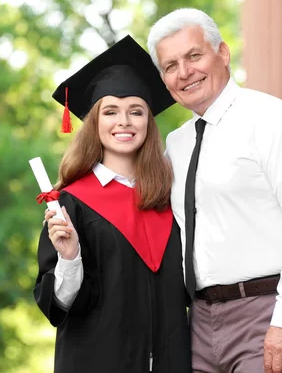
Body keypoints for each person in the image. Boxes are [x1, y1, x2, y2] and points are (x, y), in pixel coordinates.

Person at [146, 8, 282, 373]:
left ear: (224, 53)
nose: (184, 72)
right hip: (198, 321)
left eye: (194, 55)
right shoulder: (177, 145)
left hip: (265, 312)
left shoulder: (271, 119)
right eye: (170, 66)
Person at [33, 35, 191, 373]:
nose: (124, 122)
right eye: (111, 111)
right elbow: (56, 307)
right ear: (95, 123)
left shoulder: (172, 198)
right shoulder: (69, 206)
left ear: (149, 121)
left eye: (136, 111)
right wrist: (70, 257)